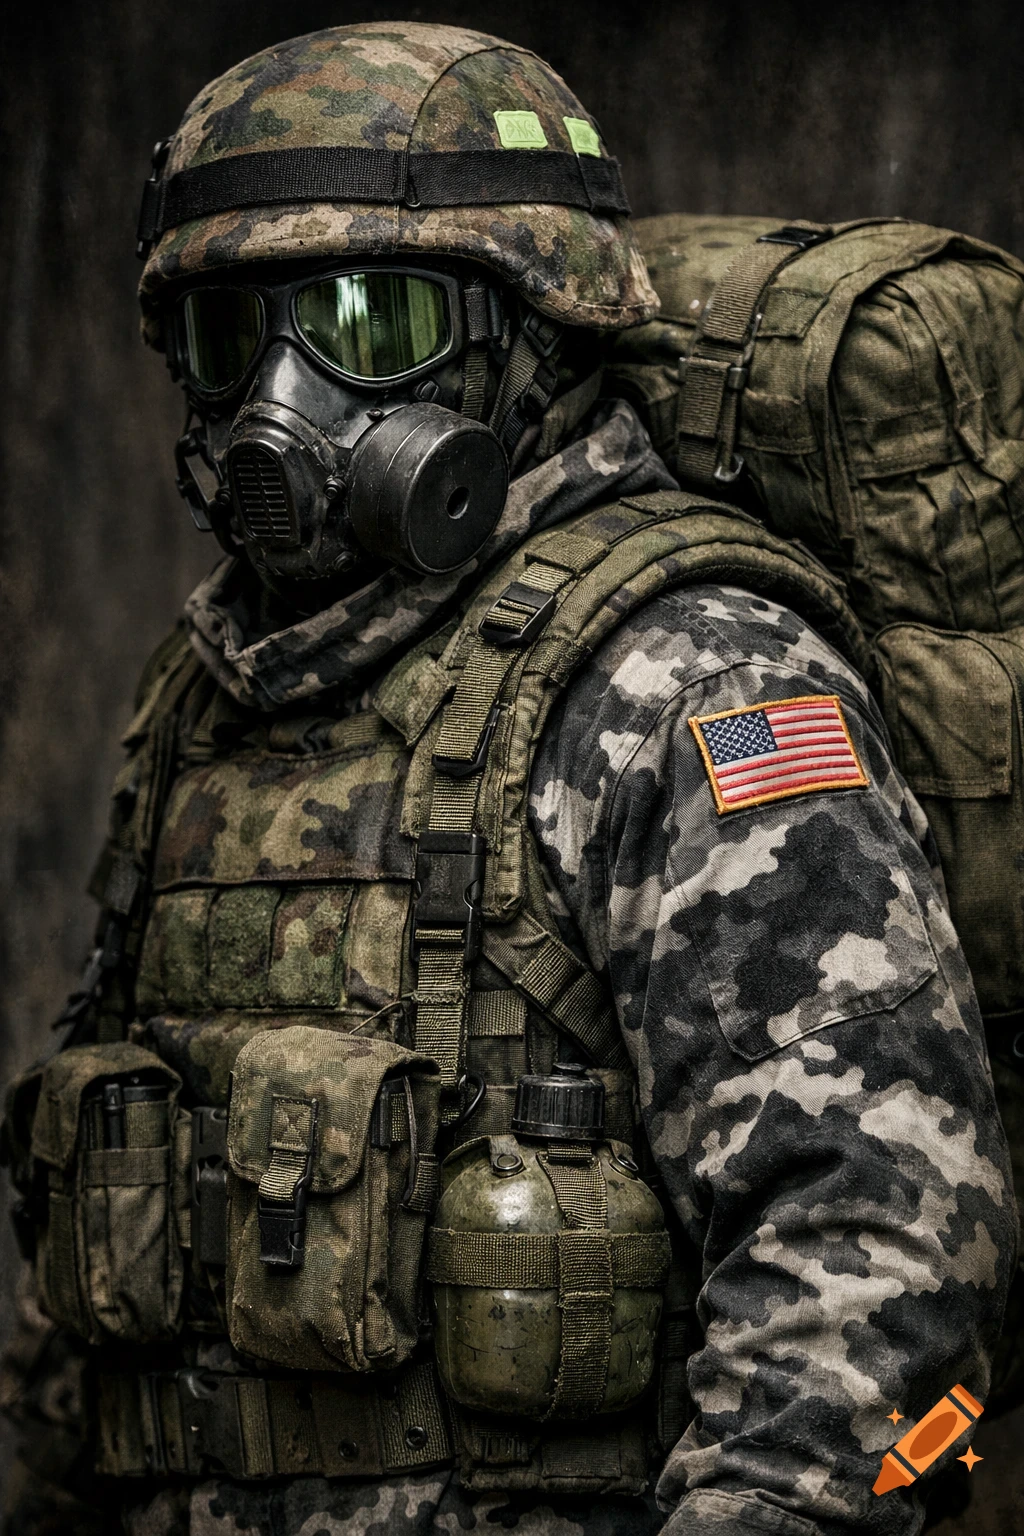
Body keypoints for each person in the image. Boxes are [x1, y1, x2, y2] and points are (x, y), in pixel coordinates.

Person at [1, 21, 1015, 1536]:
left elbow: (878, 1261)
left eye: (370, 321)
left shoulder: (689, 679)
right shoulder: (208, 699)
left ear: (531, 333)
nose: (284, 399)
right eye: (230, 339)